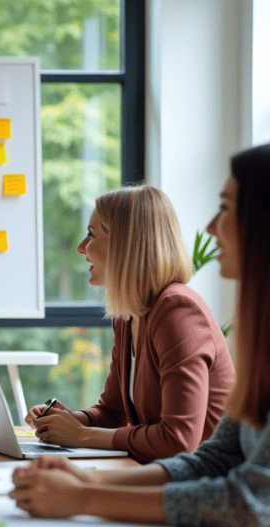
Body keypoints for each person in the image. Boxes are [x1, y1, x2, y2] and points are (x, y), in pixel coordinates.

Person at [10, 141, 270, 527]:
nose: (210, 226)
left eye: (225, 208)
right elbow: (215, 458)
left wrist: (85, 499)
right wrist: (88, 480)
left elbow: (249, 500)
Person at [25, 185, 234, 462]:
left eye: (91, 234)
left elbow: (179, 439)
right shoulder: (129, 315)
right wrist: (69, 421)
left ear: (126, 244)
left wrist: (81, 435)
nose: (80, 247)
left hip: (206, 482)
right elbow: (114, 412)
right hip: (164, 473)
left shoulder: (178, 312)